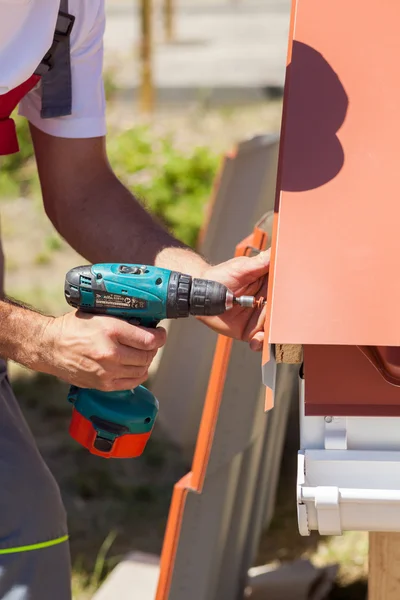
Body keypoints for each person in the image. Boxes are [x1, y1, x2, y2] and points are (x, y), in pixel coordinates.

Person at [0, 1, 269, 598]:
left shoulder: (68, 10)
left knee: (25, 541)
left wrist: (201, 285)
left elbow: (82, 188)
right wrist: (39, 339)